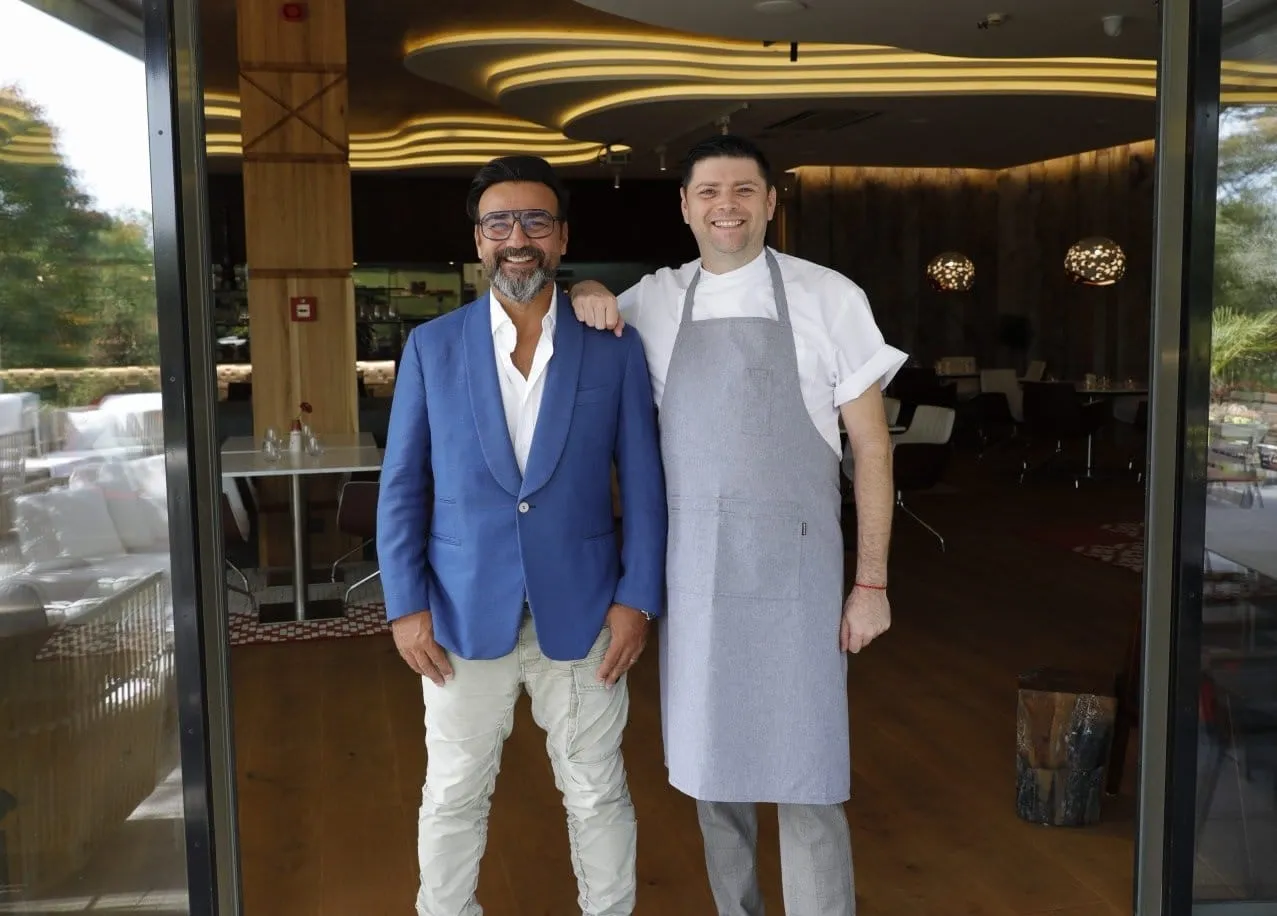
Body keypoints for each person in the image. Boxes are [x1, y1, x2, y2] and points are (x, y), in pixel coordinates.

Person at [569, 134, 907, 916]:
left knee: (808, 769)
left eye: (744, 190)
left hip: (799, 571)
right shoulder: (655, 299)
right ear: (684, 207)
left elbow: (872, 448)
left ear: (770, 202)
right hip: (696, 572)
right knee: (711, 769)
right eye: (710, 192)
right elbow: (579, 313)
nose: (727, 206)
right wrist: (584, 286)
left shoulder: (828, 296)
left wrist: (871, 584)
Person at [377, 154, 668, 916]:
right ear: (478, 240)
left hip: (586, 614)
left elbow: (644, 485)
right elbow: (402, 487)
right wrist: (405, 607)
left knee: (596, 790)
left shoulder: (613, 346)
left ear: (562, 237)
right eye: (499, 223)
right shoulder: (431, 347)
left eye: (535, 221)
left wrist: (637, 599)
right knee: (452, 792)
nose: (517, 239)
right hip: (459, 614)